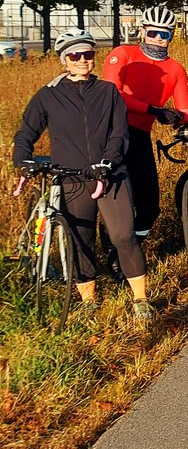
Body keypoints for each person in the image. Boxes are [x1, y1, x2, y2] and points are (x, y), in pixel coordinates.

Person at [14, 29, 151, 321]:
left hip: (110, 175)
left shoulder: (107, 91)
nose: (83, 60)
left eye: (88, 54)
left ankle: (140, 298)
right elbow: (27, 132)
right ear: (65, 59)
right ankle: (88, 300)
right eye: (75, 55)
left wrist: (109, 160)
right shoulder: (48, 96)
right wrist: (23, 160)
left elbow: (119, 132)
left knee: (123, 236)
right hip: (72, 178)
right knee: (80, 239)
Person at [102, 4, 188, 248]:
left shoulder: (175, 69)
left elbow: (186, 109)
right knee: (116, 200)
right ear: (142, 32)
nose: (159, 39)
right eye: (153, 33)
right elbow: (112, 93)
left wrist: (176, 117)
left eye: (165, 34)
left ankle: (132, 248)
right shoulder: (123, 54)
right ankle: (112, 252)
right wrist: (152, 109)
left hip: (140, 135)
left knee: (150, 206)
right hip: (110, 132)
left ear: (172, 36)